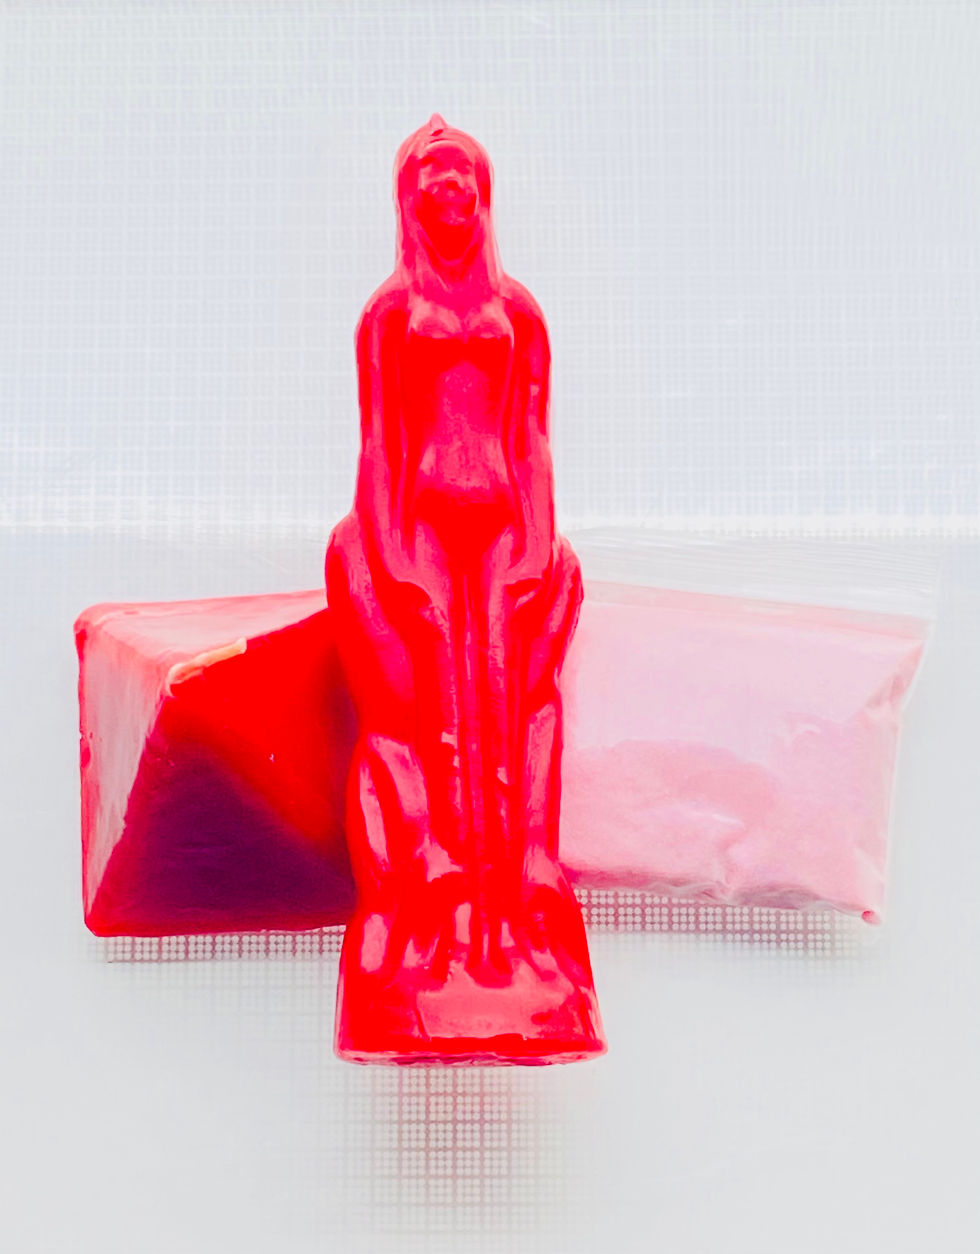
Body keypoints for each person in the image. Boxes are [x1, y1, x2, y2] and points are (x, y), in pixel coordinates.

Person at [327, 116, 604, 1063]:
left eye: (462, 174)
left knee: (500, 716)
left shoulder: (518, 311)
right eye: (432, 176)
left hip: (500, 534)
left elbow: (533, 438)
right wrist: (390, 552)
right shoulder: (388, 314)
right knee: (440, 719)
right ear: (410, 197)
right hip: (423, 537)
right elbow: (379, 445)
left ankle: (507, 928)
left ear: (483, 192)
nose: (449, 190)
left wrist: (536, 545)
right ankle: (441, 923)